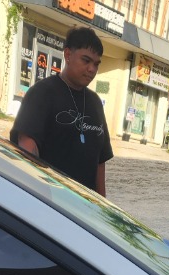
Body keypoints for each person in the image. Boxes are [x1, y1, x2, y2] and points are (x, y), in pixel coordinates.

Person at [10, 27, 114, 195]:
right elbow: (27, 148)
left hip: (85, 203)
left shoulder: (95, 102)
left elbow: (100, 162)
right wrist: (38, 195)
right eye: (86, 61)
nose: (91, 69)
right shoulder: (42, 93)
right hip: (50, 200)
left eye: (96, 64)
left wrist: (102, 204)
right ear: (68, 55)